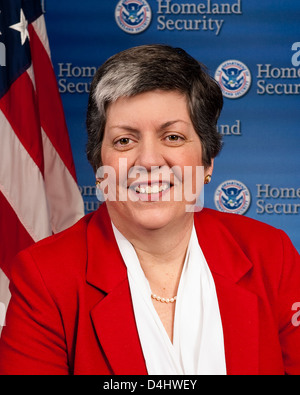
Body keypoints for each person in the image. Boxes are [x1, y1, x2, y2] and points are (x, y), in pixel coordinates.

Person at [0, 44, 299, 375]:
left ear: (207, 160)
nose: (148, 161)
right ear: (98, 163)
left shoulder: (271, 254)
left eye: (172, 137)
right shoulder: (44, 277)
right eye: (124, 141)